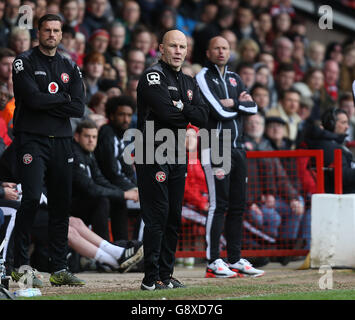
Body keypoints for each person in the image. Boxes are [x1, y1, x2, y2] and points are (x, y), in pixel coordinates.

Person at [11, 14, 85, 287]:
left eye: (56, 30)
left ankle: (60, 268)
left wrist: (48, 101)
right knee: (30, 199)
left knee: (61, 204)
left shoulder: (70, 65)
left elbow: (79, 107)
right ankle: (18, 265)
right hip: (32, 139)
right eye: (47, 30)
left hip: (63, 141)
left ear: (61, 34)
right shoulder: (24, 61)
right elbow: (30, 98)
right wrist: (62, 98)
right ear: (38, 33)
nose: (52, 35)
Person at [136, 29, 208, 290]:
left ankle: (165, 275)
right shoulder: (152, 76)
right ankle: (150, 277)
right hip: (151, 150)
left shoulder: (189, 82)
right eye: (173, 46)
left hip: (177, 153)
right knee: (158, 214)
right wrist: (183, 112)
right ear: (161, 48)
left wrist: (179, 108)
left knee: (174, 216)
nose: (178, 51)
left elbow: (203, 116)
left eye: (182, 47)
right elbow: (165, 112)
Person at [195, 36, 264, 278]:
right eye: (217, 48)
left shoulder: (236, 78)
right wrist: (238, 105)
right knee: (219, 204)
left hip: (237, 148)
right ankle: (213, 260)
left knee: (238, 205)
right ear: (208, 52)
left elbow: (253, 108)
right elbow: (218, 110)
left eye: (225, 48)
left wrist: (233, 101)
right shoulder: (203, 76)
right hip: (215, 146)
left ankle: (234, 259)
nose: (221, 52)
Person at [71, 119, 143, 270]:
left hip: (83, 204)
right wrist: (123, 194)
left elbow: (100, 180)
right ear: (77, 137)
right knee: (102, 200)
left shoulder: (89, 155)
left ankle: (122, 248)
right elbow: (89, 188)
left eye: (94, 137)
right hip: (70, 206)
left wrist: (124, 193)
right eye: (87, 136)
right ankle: (107, 256)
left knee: (116, 200)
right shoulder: (74, 154)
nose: (91, 140)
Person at [94, 96, 139, 241]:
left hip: (118, 189)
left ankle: (125, 247)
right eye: (121, 115)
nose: (126, 119)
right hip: (105, 188)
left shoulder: (121, 136)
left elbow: (127, 169)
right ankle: (137, 249)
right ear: (111, 115)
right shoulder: (107, 134)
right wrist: (133, 189)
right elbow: (111, 171)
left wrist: (135, 186)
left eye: (129, 115)